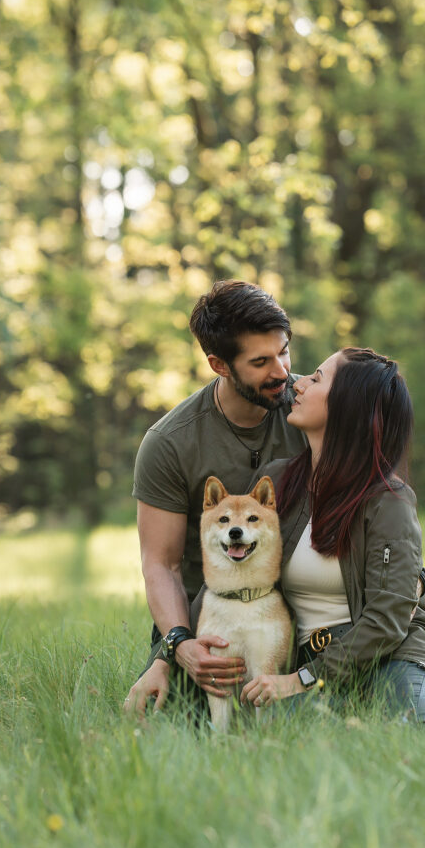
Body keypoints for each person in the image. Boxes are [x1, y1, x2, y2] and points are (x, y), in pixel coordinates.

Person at [228, 347, 425, 726]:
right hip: (314, 664)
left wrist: (301, 680)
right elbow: (234, 574)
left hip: (396, 655)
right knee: (271, 736)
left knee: (411, 729)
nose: (297, 385)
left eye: (316, 379)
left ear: (348, 405)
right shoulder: (279, 481)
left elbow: (387, 619)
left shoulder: (389, 501)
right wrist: (178, 648)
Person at [124, 280, 307, 716]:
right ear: (219, 364)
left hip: (304, 607)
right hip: (208, 620)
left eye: (284, 351)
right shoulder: (169, 443)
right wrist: (178, 646)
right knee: (178, 721)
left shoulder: (315, 409)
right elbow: (161, 565)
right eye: (261, 361)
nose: (281, 371)